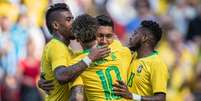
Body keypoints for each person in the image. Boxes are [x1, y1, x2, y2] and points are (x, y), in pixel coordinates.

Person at [39, 3, 110, 101]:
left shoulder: (66, 49)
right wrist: (90, 58)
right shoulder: (56, 46)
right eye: (69, 20)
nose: (74, 23)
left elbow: (82, 57)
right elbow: (61, 76)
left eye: (73, 18)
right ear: (56, 25)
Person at [71, 14, 131, 101]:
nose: (104, 41)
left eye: (108, 36)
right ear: (93, 34)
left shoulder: (77, 63)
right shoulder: (119, 48)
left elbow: (77, 97)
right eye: (100, 36)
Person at [113, 20, 168, 101]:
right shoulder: (133, 56)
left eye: (135, 34)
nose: (131, 37)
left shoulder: (156, 63)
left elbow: (161, 98)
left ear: (144, 38)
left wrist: (131, 96)